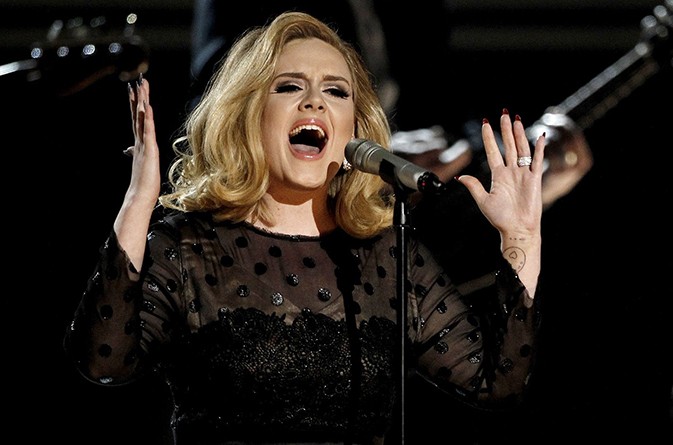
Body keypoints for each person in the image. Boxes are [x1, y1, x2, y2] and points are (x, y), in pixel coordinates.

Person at [64, 11, 546, 445]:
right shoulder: (189, 247)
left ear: (354, 129)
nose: (315, 102)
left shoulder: (389, 255)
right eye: (290, 87)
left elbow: (497, 384)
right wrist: (138, 201)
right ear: (249, 115)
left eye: (336, 91)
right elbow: (104, 361)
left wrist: (521, 238)